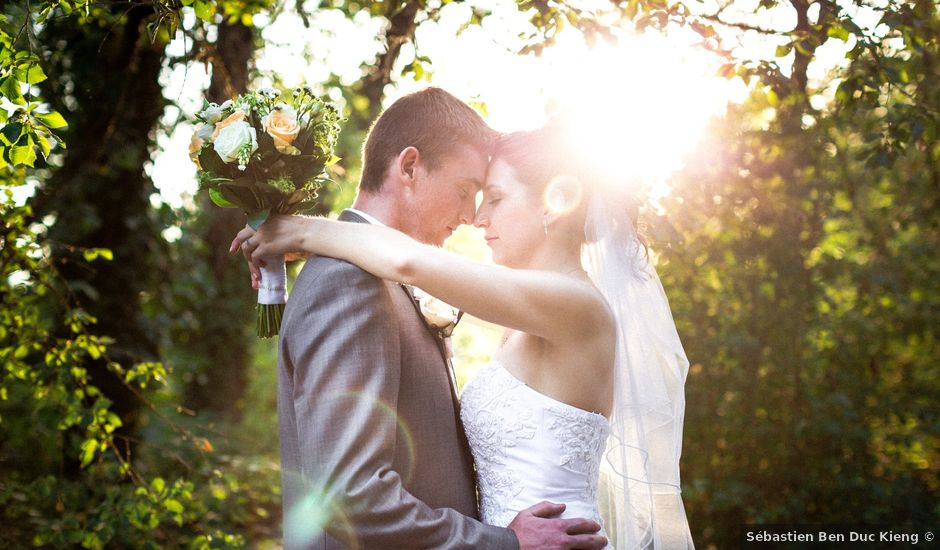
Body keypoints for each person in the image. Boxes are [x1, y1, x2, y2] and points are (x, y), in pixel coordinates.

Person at [234, 121, 696, 549]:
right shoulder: (529, 314)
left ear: (554, 205)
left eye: (494, 198)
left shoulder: (578, 306)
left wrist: (300, 229)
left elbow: (408, 263)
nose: (478, 219)